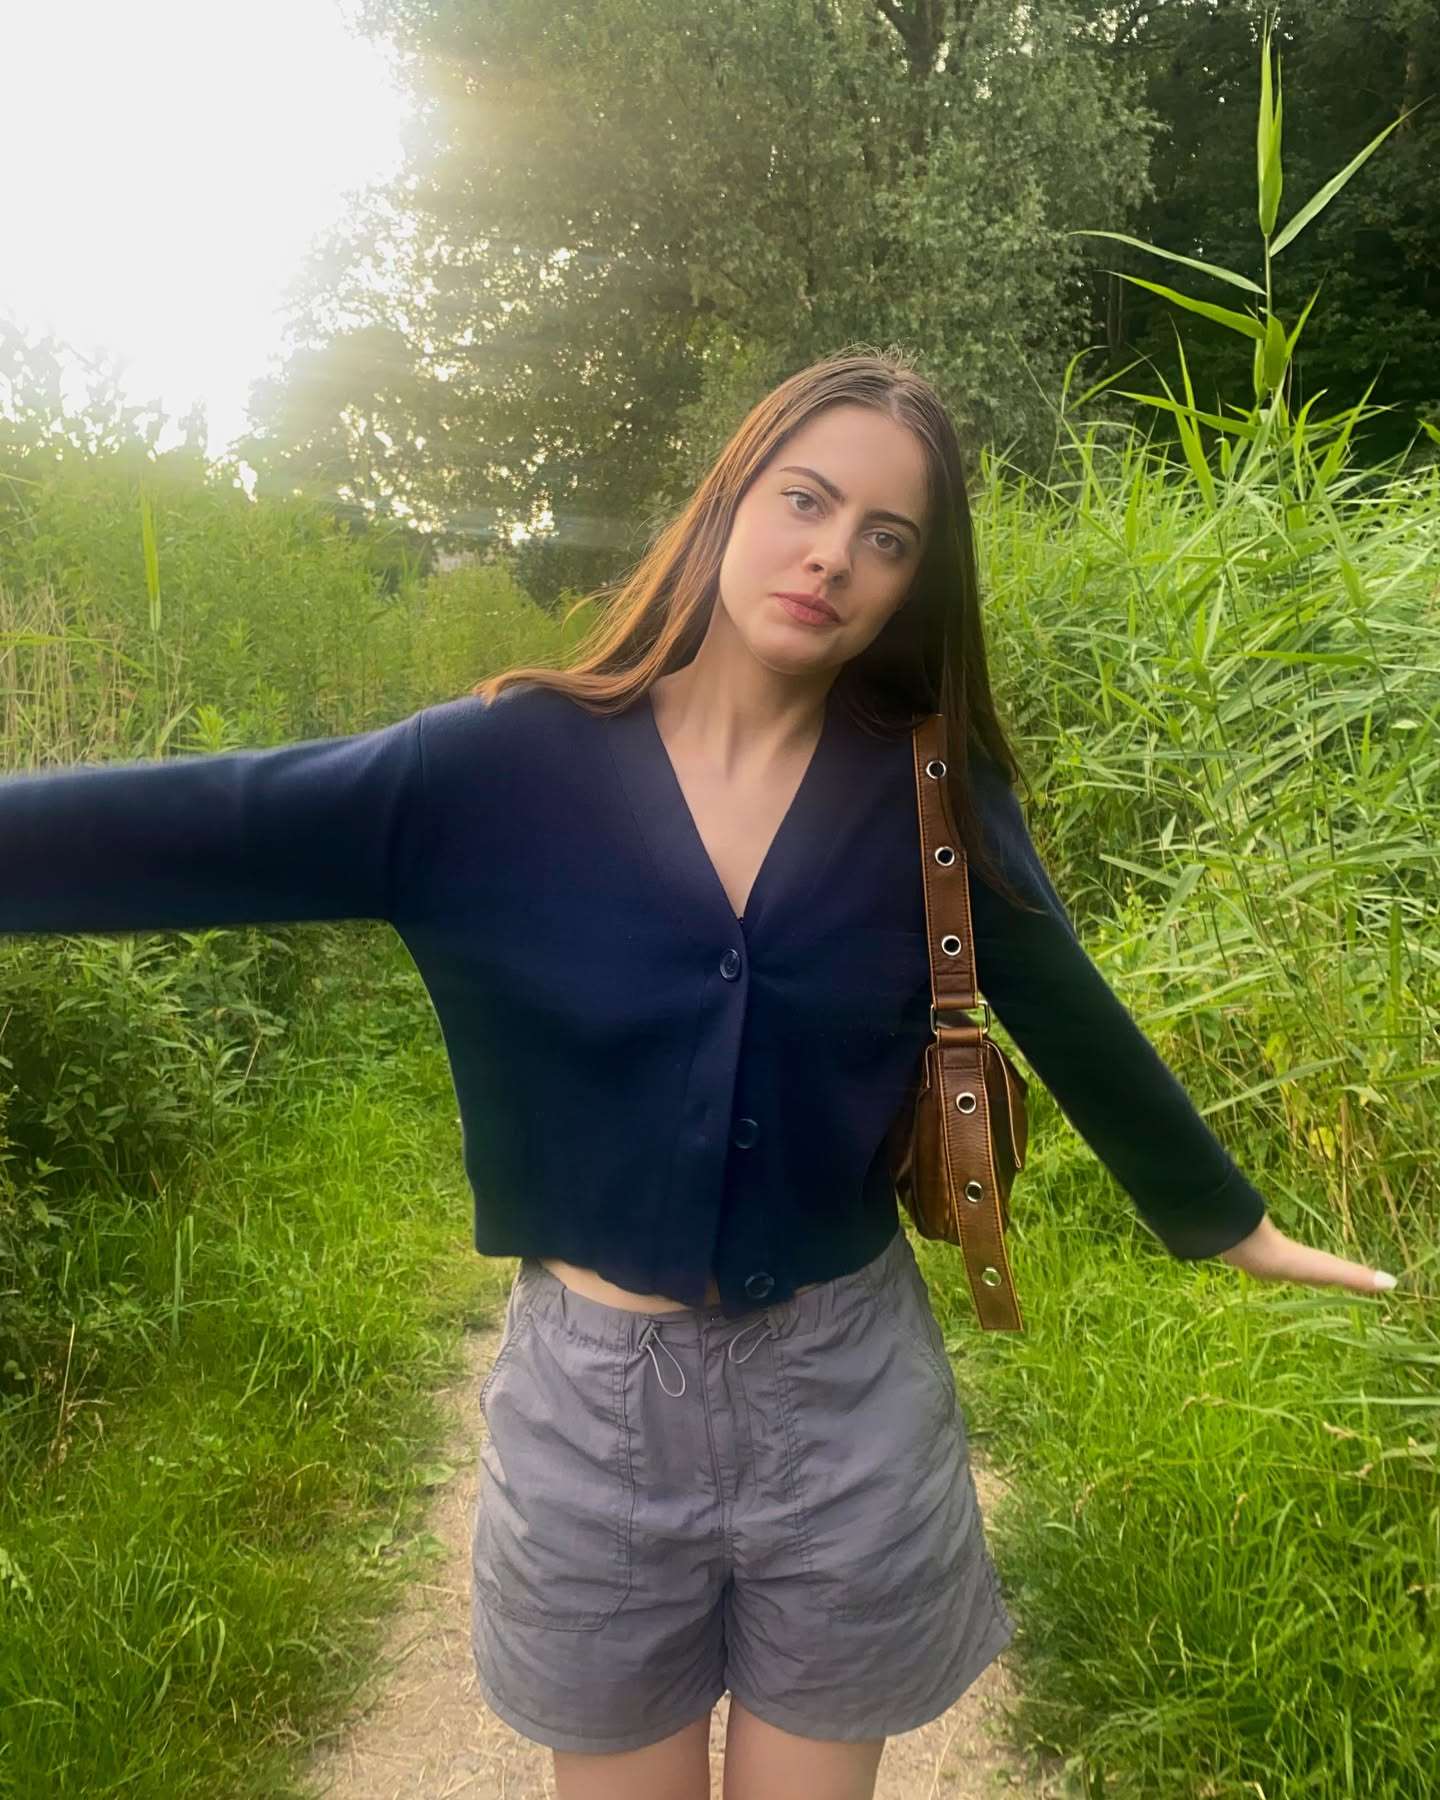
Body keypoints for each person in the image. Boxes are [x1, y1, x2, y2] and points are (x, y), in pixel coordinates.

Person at [0, 348, 1395, 1800]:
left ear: (913, 586)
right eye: (806, 500)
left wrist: (1228, 1223)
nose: (833, 555)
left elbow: (1067, 1009)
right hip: (590, 1410)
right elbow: (207, 821)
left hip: (846, 1397)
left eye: (887, 537)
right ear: (731, 497)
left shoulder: (931, 793)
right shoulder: (494, 769)